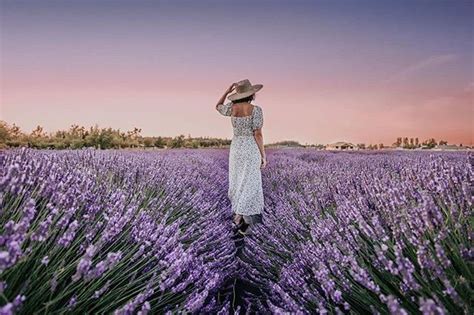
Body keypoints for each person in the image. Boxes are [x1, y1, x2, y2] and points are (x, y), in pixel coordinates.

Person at [215, 79, 267, 235]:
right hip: (250, 147)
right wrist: (263, 155)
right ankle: (243, 220)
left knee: (237, 180)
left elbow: (218, 107)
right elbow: (257, 133)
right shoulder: (256, 110)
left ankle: (238, 217)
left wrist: (227, 91)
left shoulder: (232, 108)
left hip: (237, 147)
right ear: (251, 94)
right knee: (250, 182)